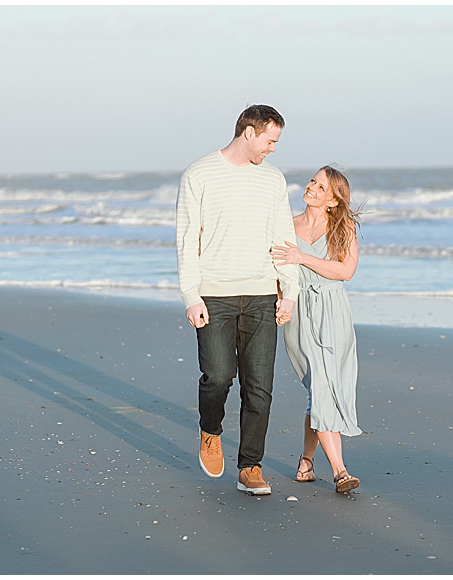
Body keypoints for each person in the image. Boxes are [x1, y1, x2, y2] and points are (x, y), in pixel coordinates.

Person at [176, 104, 299, 495]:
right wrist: (190, 295)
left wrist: (289, 291)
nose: (273, 149)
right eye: (270, 140)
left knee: (259, 386)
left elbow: (284, 240)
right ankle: (210, 431)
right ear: (250, 132)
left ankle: (251, 466)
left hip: (262, 293)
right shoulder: (199, 174)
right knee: (218, 378)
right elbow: (186, 238)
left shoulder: (273, 180)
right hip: (214, 294)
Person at [271, 165, 362, 494]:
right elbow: (279, 272)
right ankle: (340, 471)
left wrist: (302, 257)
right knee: (321, 387)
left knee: (323, 391)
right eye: (313, 181)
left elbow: (345, 271)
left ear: (333, 201)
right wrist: (281, 302)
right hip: (299, 313)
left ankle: (306, 462)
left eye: (321, 187)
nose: (312, 188)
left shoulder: (344, 227)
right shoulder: (287, 226)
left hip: (334, 312)